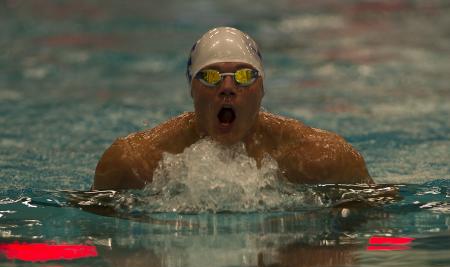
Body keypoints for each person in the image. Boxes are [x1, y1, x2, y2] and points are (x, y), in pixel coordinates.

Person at [92, 27, 373, 190]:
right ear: (192, 88)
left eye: (244, 76)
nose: (227, 87)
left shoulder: (322, 158)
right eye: (211, 76)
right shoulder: (133, 163)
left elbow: (373, 220)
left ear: (261, 89)